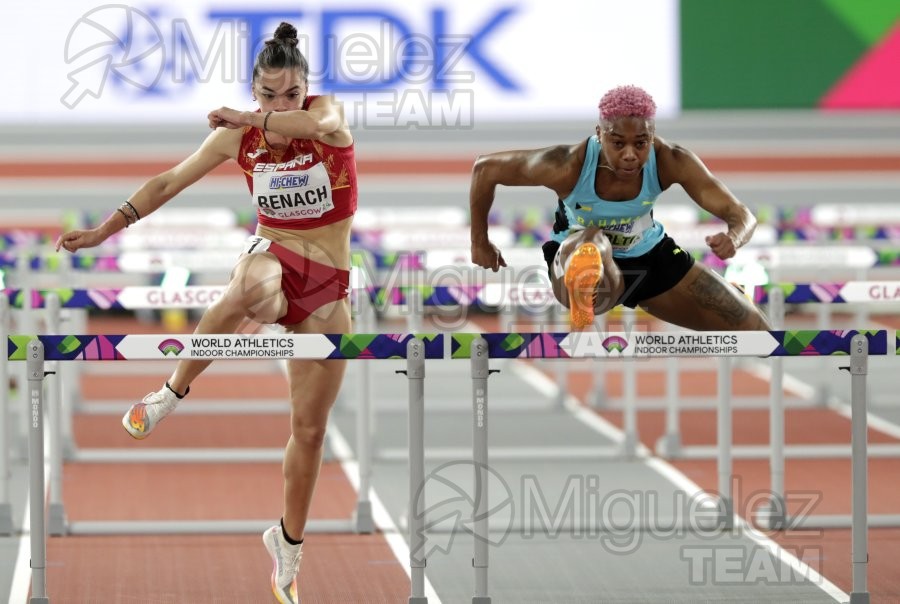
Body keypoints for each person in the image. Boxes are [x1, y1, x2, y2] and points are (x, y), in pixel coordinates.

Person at [55, 22, 352, 604]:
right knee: (253, 280)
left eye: (289, 94)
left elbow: (310, 125)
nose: (279, 104)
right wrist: (103, 231)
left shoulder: (327, 116)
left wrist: (250, 117)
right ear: (254, 89)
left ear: (306, 89)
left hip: (329, 285)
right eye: (266, 95)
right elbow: (168, 182)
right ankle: (170, 391)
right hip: (275, 260)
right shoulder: (238, 140)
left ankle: (287, 548)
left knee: (310, 432)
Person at [469, 84, 770, 331]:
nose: (630, 155)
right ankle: (583, 293)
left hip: (650, 257)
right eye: (617, 143)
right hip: (577, 260)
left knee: (756, 330)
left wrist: (734, 237)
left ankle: (592, 279)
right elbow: (486, 169)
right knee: (594, 243)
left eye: (641, 143)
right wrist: (479, 242)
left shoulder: (670, 160)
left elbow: (741, 214)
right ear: (599, 134)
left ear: (652, 136)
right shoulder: (565, 165)